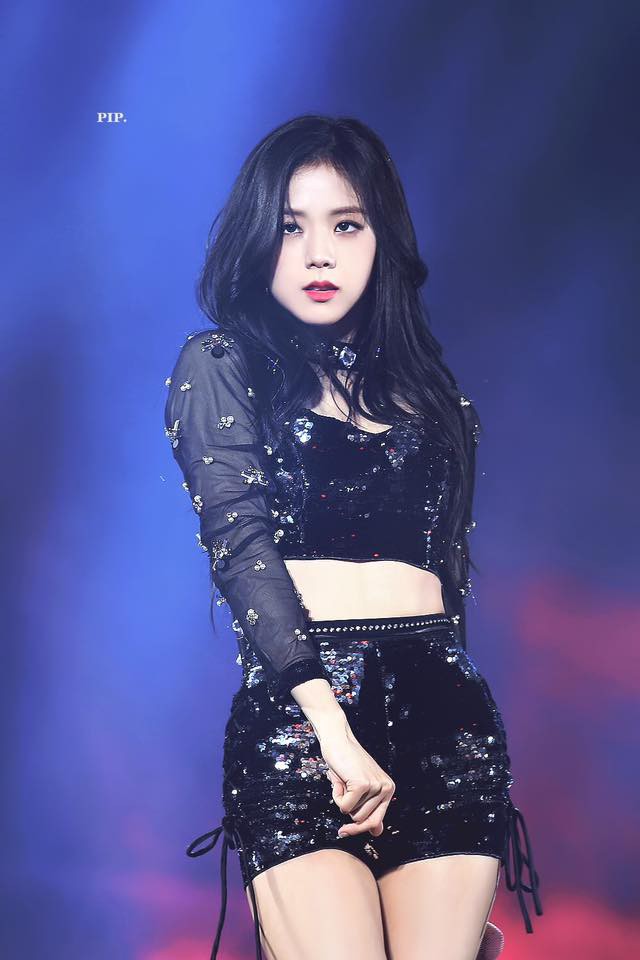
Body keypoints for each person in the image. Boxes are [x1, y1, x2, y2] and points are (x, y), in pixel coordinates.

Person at [164, 115, 543, 960]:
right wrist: (332, 731)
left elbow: (449, 576)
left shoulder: (432, 394)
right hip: (302, 721)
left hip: (445, 718)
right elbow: (241, 549)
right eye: (290, 227)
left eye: (346, 225)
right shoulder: (221, 364)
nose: (318, 255)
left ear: (382, 240)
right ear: (257, 239)